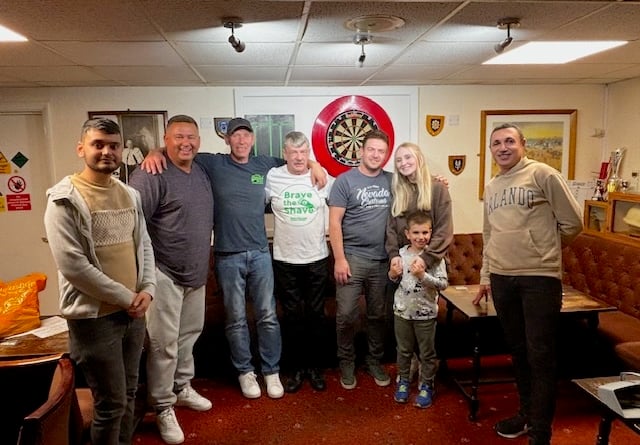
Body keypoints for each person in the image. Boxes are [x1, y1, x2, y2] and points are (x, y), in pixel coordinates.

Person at [141, 117, 326, 400]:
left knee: (267, 316)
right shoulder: (213, 164)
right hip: (227, 256)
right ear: (227, 140)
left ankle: (271, 371)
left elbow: (296, 159)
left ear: (252, 140)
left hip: (261, 253)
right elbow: (178, 147)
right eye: (235, 136)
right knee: (236, 318)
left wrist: (314, 164)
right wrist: (153, 152)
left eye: (246, 136)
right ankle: (245, 372)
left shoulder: (265, 165)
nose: (241, 141)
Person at [44, 118, 155, 445]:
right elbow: (73, 266)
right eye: (98, 144)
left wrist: (147, 289)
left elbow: (144, 244)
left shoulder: (130, 194)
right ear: (81, 149)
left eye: (114, 145)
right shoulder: (63, 199)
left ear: (122, 149)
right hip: (95, 319)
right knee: (110, 404)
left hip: (133, 313)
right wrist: (126, 297)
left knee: (130, 395)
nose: (107, 151)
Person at [472, 123, 583, 445]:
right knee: (518, 353)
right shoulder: (492, 186)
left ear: (523, 145)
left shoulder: (543, 175)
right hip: (503, 279)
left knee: (541, 355)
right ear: (491, 150)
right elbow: (490, 235)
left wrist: (541, 249)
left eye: (509, 141)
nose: (503, 147)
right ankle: (526, 414)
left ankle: (540, 432)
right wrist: (485, 277)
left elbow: (573, 222)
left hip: (539, 279)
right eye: (496, 143)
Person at [128, 115, 213, 444]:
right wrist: (144, 278)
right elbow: (134, 226)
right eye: (178, 137)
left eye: (191, 137)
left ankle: (182, 388)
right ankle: (162, 406)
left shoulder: (202, 169)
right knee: (163, 345)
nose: (185, 143)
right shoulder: (151, 173)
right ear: (166, 139)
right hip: (164, 272)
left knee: (189, 336)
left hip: (196, 272)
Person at [265, 131, 333, 393]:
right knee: (291, 318)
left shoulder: (320, 176)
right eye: (293, 152)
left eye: (303, 153)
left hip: (316, 258)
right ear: (285, 153)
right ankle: (295, 370)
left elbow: (345, 198)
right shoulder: (273, 176)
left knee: (316, 316)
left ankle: (315, 368)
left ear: (309, 154)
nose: (298, 157)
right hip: (285, 259)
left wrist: (317, 165)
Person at [328, 129, 393, 390]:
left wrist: (438, 181)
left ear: (385, 155)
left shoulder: (393, 180)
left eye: (381, 151)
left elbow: (420, 186)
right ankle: (346, 361)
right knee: (345, 315)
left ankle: (374, 360)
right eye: (372, 150)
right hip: (352, 258)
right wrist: (339, 259)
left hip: (383, 260)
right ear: (361, 151)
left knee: (378, 315)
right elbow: (334, 223)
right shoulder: (344, 181)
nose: (376, 155)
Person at [385, 141, 453, 382]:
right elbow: (392, 229)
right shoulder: (399, 191)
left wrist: (424, 260)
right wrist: (393, 256)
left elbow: (444, 231)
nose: (404, 163)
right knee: (403, 314)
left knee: (424, 317)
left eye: (408, 157)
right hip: (403, 264)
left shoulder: (437, 189)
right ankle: (410, 361)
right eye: (399, 160)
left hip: (430, 262)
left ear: (419, 159)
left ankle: (427, 371)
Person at [388, 210, 448, 408]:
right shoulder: (402, 254)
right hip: (402, 312)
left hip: (426, 313)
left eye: (425, 233)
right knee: (404, 350)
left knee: (426, 352)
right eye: (416, 233)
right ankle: (404, 380)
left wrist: (423, 276)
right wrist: (392, 273)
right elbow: (394, 279)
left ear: (431, 233)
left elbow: (443, 284)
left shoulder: (434, 256)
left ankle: (426, 384)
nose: (421, 237)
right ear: (407, 234)